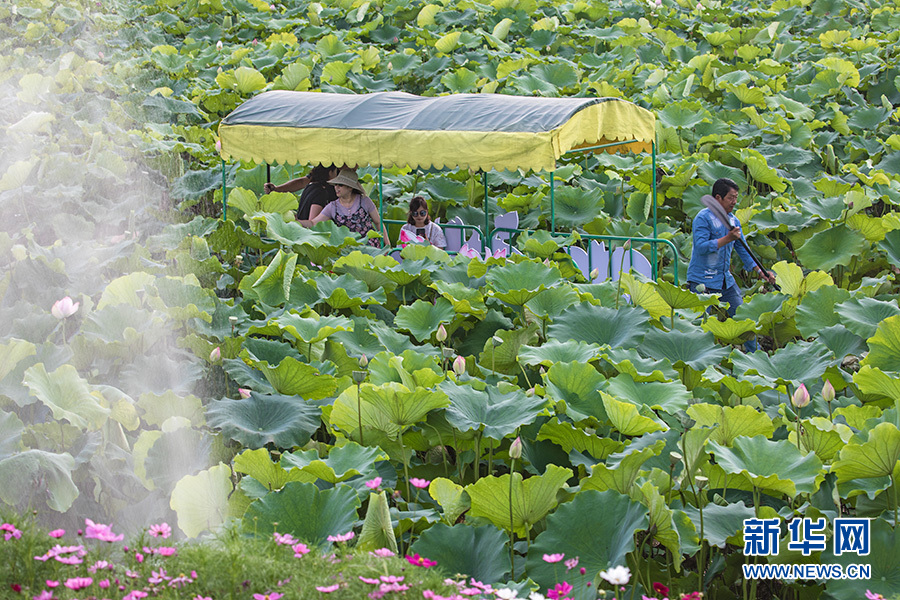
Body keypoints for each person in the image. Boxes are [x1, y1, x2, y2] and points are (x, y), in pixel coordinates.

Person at [686, 178, 775, 352]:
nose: (734, 202)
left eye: (736, 197)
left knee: (744, 320)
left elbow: (743, 249)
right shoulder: (703, 218)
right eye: (731, 198)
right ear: (718, 198)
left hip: (725, 281)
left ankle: (757, 359)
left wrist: (760, 271)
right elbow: (702, 247)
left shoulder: (733, 220)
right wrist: (727, 238)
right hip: (702, 281)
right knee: (698, 327)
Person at [299, 168, 388, 247]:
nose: (336, 188)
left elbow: (378, 222)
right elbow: (313, 223)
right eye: (335, 184)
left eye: (340, 185)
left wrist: (387, 244)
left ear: (350, 187)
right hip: (347, 249)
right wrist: (297, 222)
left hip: (369, 247)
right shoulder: (332, 207)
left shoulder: (365, 201)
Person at [263, 164, 338, 221]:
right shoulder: (321, 192)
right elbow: (313, 222)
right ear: (330, 172)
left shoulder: (310, 186)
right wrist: (276, 189)